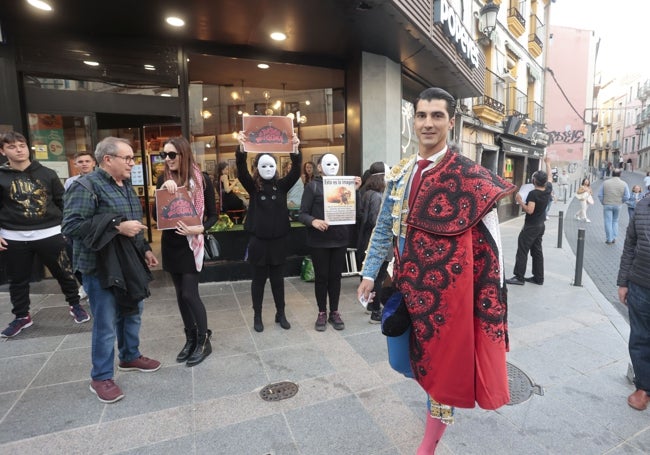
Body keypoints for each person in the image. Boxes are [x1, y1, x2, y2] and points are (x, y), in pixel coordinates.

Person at [357, 87, 516, 454]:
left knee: (440, 372)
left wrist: (490, 296)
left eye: (437, 116)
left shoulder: (471, 177)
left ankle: (429, 441)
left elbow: (491, 248)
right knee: (402, 361)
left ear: (451, 122)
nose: (428, 123)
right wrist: (368, 272)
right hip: (402, 285)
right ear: (413, 120)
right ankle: (437, 401)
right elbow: (384, 228)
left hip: (446, 292)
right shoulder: (399, 172)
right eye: (422, 115)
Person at [62, 137, 161, 404]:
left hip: (128, 263)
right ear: (108, 159)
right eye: (127, 158)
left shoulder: (126, 185)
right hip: (100, 267)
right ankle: (101, 377)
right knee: (105, 324)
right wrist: (116, 226)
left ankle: (130, 356)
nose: (132, 163)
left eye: (132, 159)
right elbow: (71, 226)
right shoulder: (86, 186)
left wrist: (145, 249)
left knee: (132, 313)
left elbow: (135, 225)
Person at [0, 132, 90, 338]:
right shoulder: (1, 176)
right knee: (18, 280)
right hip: (13, 236)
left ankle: (75, 305)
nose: (19, 149)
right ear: (2, 151)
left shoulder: (47, 173)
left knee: (64, 273)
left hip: (50, 232)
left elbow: (63, 202)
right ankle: (22, 316)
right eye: (12, 146)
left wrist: (67, 229)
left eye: (21, 145)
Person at [156, 137, 218, 366]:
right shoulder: (163, 179)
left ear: (183, 154)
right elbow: (156, 217)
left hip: (192, 244)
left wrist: (199, 228)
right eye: (164, 155)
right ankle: (190, 338)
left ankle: (204, 339)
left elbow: (213, 215)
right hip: (171, 244)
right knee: (180, 295)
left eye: (172, 154)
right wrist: (163, 191)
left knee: (189, 294)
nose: (168, 159)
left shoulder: (202, 181)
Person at [236, 133, 301, 332]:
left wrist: (295, 149)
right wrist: (241, 149)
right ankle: (257, 315)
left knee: (278, 281)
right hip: (258, 242)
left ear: (276, 168)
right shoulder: (254, 188)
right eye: (263, 166)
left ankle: (280, 313)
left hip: (278, 242)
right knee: (258, 281)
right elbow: (241, 172)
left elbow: (296, 172)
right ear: (257, 168)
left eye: (271, 165)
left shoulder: (281, 186)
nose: (267, 169)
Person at [299, 153, 360, 332]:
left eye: (335, 163)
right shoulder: (312, 187)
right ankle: (321, 312)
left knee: (335, 278)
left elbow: (355, 211)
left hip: (339, 239)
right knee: (322, 278)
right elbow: (302, 213)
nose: (332, 166)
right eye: (328, 163)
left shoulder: (344, 185)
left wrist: (355, 191)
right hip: (319, 241)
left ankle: (334, 311)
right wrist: (313, 221)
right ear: (319, 167)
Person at [617, 193, 650, 411]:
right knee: (639, 338)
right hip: (640, 284)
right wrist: (623, 282)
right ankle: (644, 387)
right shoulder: (642, 205)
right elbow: (630, 244)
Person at [356, 161, 390, 324]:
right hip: (374, 241)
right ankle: (376, 311)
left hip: (364, 239)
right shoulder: (376, 196)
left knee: (372, 275)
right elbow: (375, 221)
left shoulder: (367, 192)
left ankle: (371, 306)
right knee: (378, 277)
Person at [505, 170, 550, 286]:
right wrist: (548, 164)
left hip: (531, 226)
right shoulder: (548, 189)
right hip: (541, 225)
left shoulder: (533, 194)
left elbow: (530, 210)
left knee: (522, 250)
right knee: (537, 252)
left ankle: (519, 277)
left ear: (534, 181)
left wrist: (519, 201)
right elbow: (549, 177)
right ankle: (538, 278)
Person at [64, 151, 97, 300]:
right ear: (75, 164)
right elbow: (67, 205)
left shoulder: (99, 180)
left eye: (87, 161)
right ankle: (84, 285)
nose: (84, 164)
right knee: (76, 258)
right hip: (77, 226)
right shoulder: (71, 182)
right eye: (80, 161)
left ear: (94, 163)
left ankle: (93, 290)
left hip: (94, 226)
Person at [598, 168, 630, 245]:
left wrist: (603, 202)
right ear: (620, 174)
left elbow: (600, 195)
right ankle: (614, 237)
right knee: (615, 221)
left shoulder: (605, 183)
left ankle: (609, 239)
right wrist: (622, 201)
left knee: (608, 221)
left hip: (607, 204)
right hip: (618, 205)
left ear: (612, 174)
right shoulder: (624, 184)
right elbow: (627, 196)